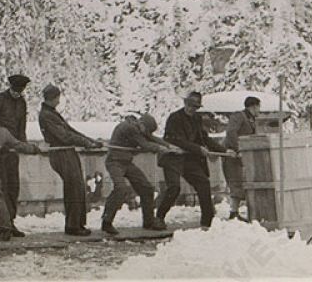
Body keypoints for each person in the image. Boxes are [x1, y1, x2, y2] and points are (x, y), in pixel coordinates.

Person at [154, 91, 235, 229]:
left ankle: (207, 222)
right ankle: (159, 218)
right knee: (174, 188)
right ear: (185, 103)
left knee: (203, 183)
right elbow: (175, 140)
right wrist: (198, 149)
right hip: (172, 158)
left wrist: (224, 150)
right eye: (190, 105)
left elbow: (204, 138)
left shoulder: (197, 119)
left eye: (195, 107)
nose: (192, 109)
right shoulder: (174, 118)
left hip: (188, 158)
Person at [38, 84, 103, 236]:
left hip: (66, 152)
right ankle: (73, 226)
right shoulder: (47, 115)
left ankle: (76, 224)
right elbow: (64, 136)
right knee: (74, 188)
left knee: (76, 187)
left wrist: (90, 141)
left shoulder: (51, 113)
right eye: (57, 97)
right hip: (61, 153)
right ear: (53, 98)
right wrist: (86, 142)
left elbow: (71, 131)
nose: (59, 100)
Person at [101, 113, 179, 235]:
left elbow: (151, 138)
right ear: (142, 124)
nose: (146, 133)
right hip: (114, 162)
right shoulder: (129, 127)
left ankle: (149, 222)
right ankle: (106, 222)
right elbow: (145, 144)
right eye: (147, 130)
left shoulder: (138, 127)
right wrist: (160, 148)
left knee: (146, 188)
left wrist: (168, 145)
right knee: (120, 188)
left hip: (127, 162)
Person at [0, 73, 29, 236]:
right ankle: (1, 223)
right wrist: (1, 140)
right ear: (11, 87)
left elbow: (22, 127)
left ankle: (7, 221)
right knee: (1, 187)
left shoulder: (22, 103)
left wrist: (22, 145)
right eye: (16, 89)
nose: (18, 93)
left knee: (13, 186)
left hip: (13, 151)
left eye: (20, 90)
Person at [223, 96, 260, 221]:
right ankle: (233, 213)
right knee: (236, 183)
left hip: (243, 157)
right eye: (258, 107)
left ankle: (236, 212)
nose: (259, 110)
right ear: (253, 106)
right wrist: (238, 149)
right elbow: (231, 132)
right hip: (233, 155)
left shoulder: (251, 119)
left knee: (242, 183)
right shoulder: (239, 116)